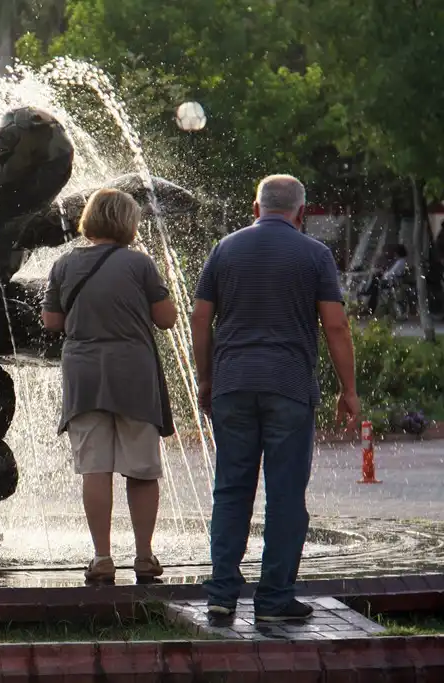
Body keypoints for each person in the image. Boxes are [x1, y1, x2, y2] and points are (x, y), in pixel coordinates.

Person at [190, 174, 360, 622]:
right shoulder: (315, 255)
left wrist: (205, 377)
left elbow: (200, 317)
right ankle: (273, 601)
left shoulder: (225, 249)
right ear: (301, 213)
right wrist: (349, 390)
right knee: (285, 495)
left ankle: (222, 595)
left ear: (255, 208)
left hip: (232, 385)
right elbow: (336, 326)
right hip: (288, 386)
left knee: (230, 490)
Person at [42, 188, 178, 584]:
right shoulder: (139, 264)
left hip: (83, 374)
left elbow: (51, 322)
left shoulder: (64, 265)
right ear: (128, 223)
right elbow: (166, 318)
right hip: (133, 374)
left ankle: (102, 557)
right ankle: (144, 556)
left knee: (94, 469)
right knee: (141, 469)